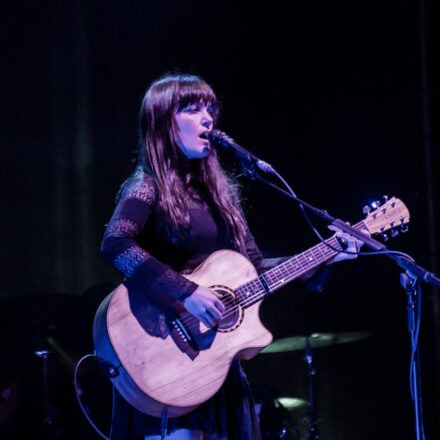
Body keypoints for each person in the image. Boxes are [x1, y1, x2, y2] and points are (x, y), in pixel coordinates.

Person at [100, 73, 362, 440]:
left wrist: (328, 255)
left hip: (217, 367)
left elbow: (254, 269)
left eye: (211, 108)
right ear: (162, 122)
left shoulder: (222, 197)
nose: (208, 117)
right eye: (192, 109)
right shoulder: (146, 185)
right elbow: (116, 244)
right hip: (165, 361)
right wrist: (186, 292)